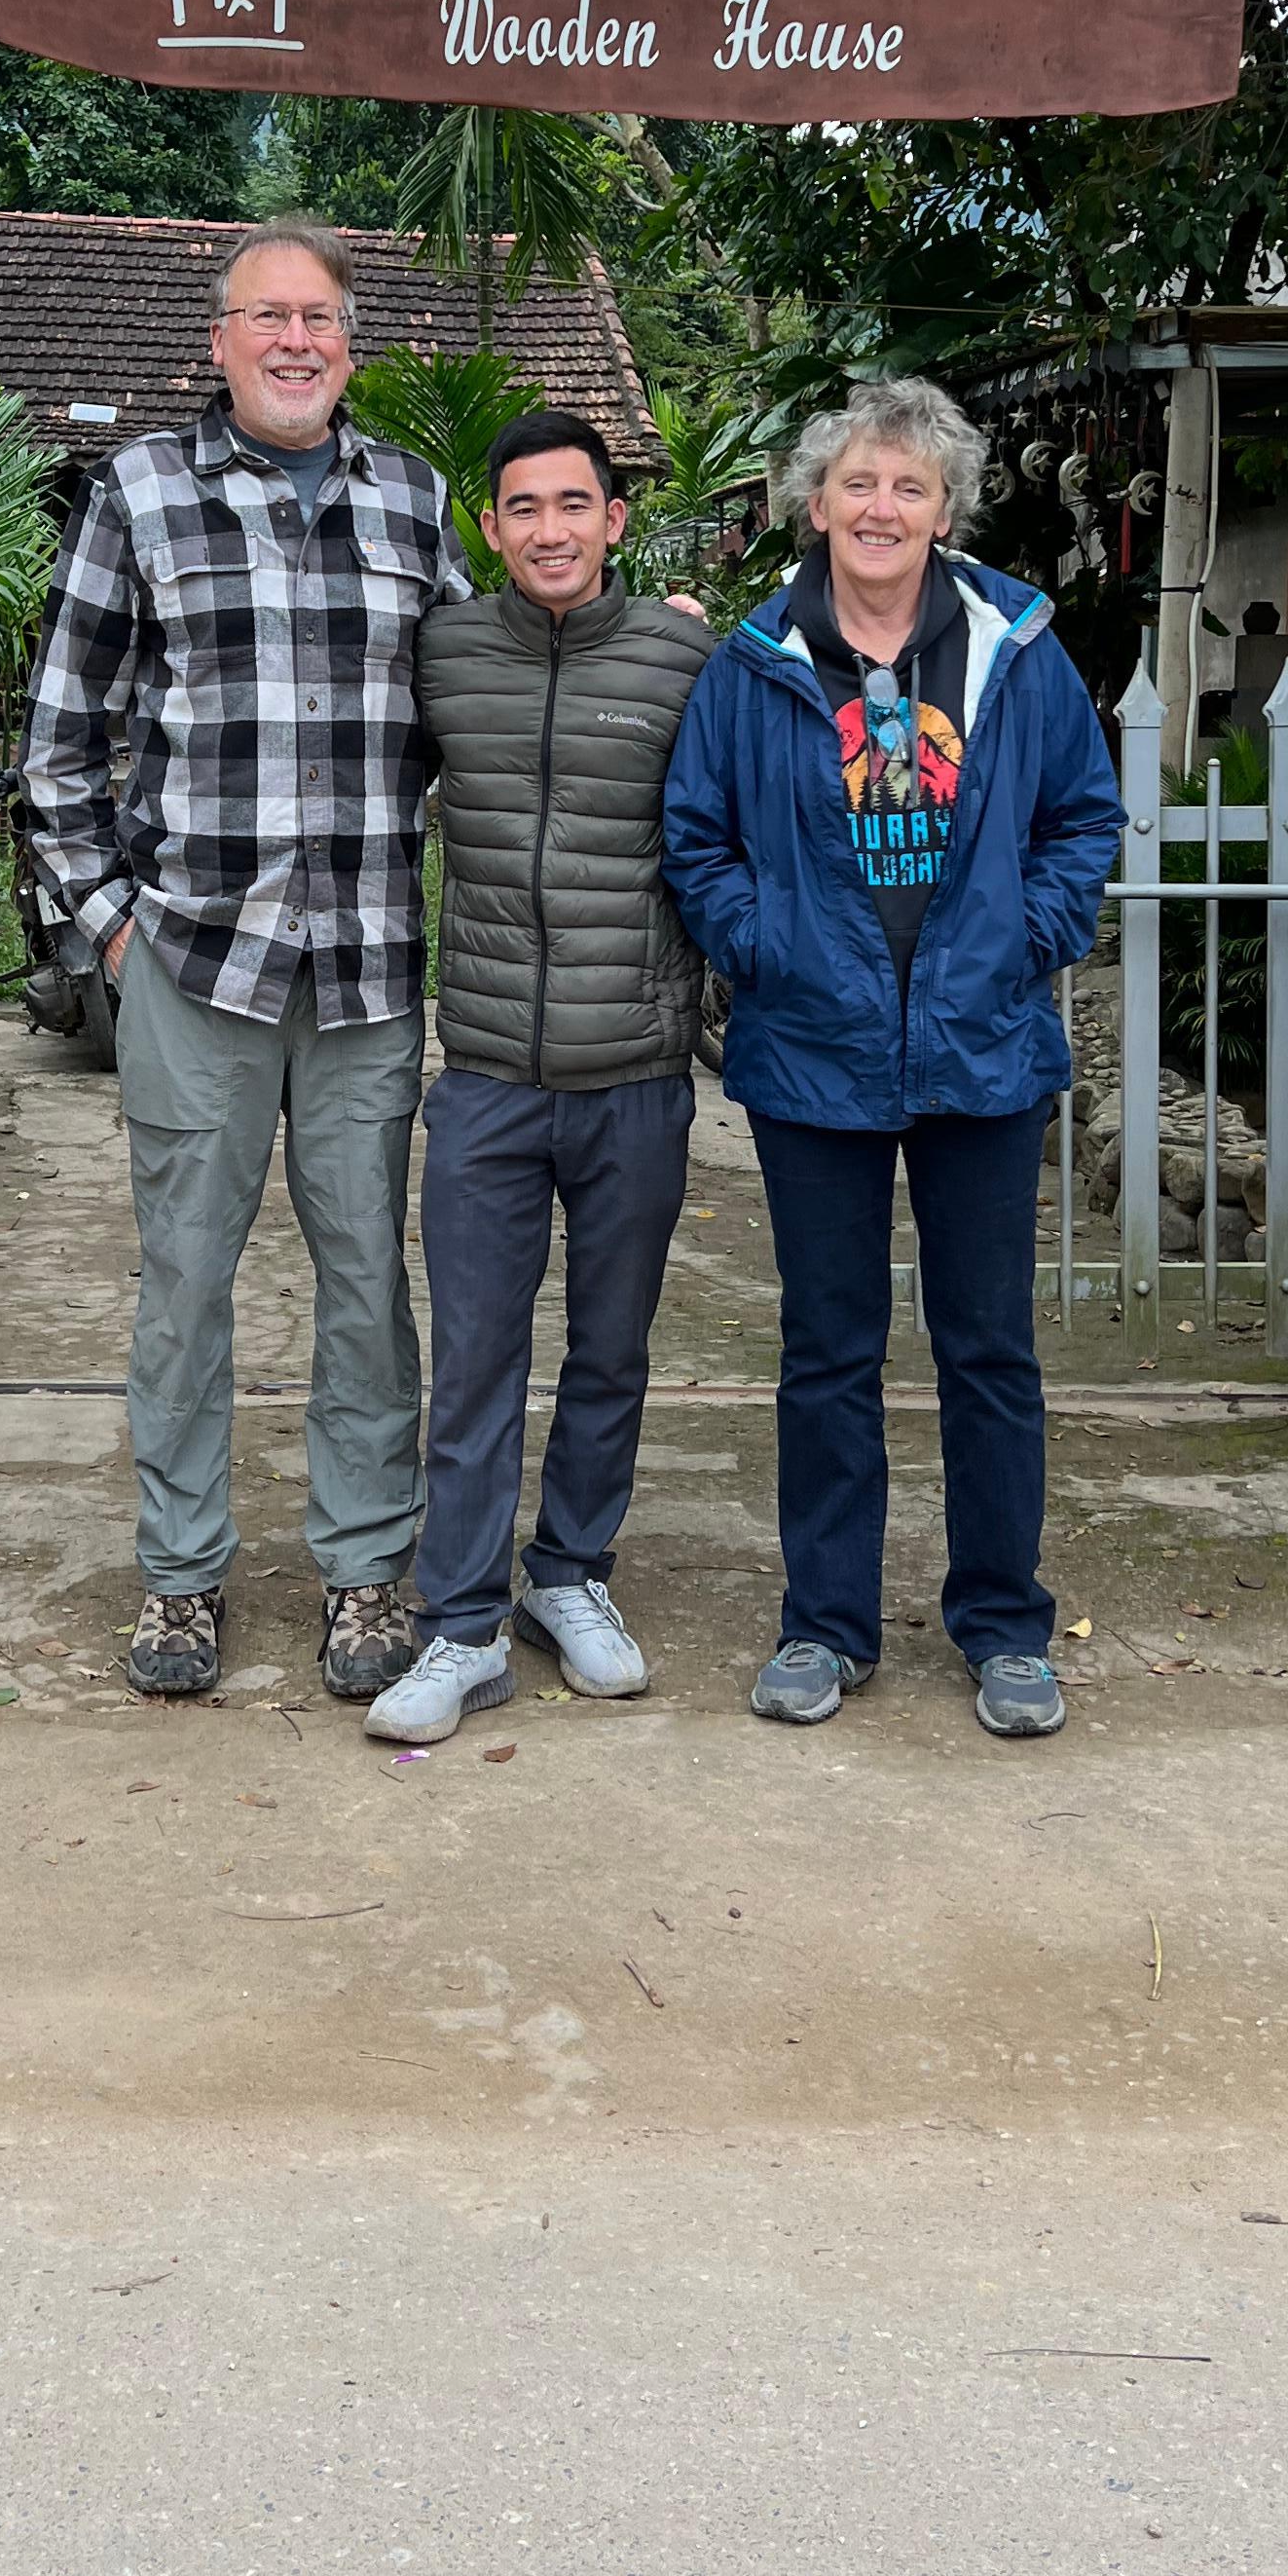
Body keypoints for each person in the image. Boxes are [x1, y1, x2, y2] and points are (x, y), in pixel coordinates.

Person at [20, 220, 471, 1705]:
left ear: (353, 343)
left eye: (321, 318)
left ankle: (361, 1570)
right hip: (194, 966)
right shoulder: (138, 493)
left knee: (367, 1285)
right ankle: (182, 1578)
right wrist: (110, 924)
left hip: (365, 968)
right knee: (185, 1285)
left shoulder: (413, 499)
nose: (295, 340)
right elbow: (61, 741)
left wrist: (634, 650)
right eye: (266, 317)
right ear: (216, 342)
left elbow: (476, 695)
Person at [661, 376, 1122, 1740]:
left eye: (908, 487)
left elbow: (1082, 820)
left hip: (983, 1045)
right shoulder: (756, 663)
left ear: (944, 510)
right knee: (828, 1352)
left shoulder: (1017, 650)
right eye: (858, 483)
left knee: (988, 1350)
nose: (880, 507)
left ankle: (1002, 1625)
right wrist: (768, 949)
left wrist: (1025, 941)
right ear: (816, 504)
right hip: (817, 1051)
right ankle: (826, 1624)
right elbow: (700, 838)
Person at [365, 409, 716, 1748]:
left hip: (636, 1072)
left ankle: (571, 1576)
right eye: (524, 509)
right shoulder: (445, 653)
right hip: (492, 1075)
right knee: (475, 1360)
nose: (552, 531)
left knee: (612, 1350)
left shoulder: (687, 657)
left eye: (576, 505)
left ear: (614, 518)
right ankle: (459, 1624)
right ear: (491, 527)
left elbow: (734, 833)